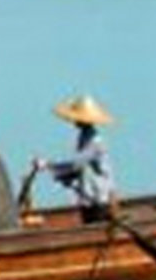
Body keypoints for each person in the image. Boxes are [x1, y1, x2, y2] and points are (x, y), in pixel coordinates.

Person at [32, 94, 117, 222]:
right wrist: (65, 178)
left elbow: (76, 164)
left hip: (100, 200)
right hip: (90, 198)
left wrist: (47, 165)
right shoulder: (84, 137)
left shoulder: (95, 142)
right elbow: (79, 170)